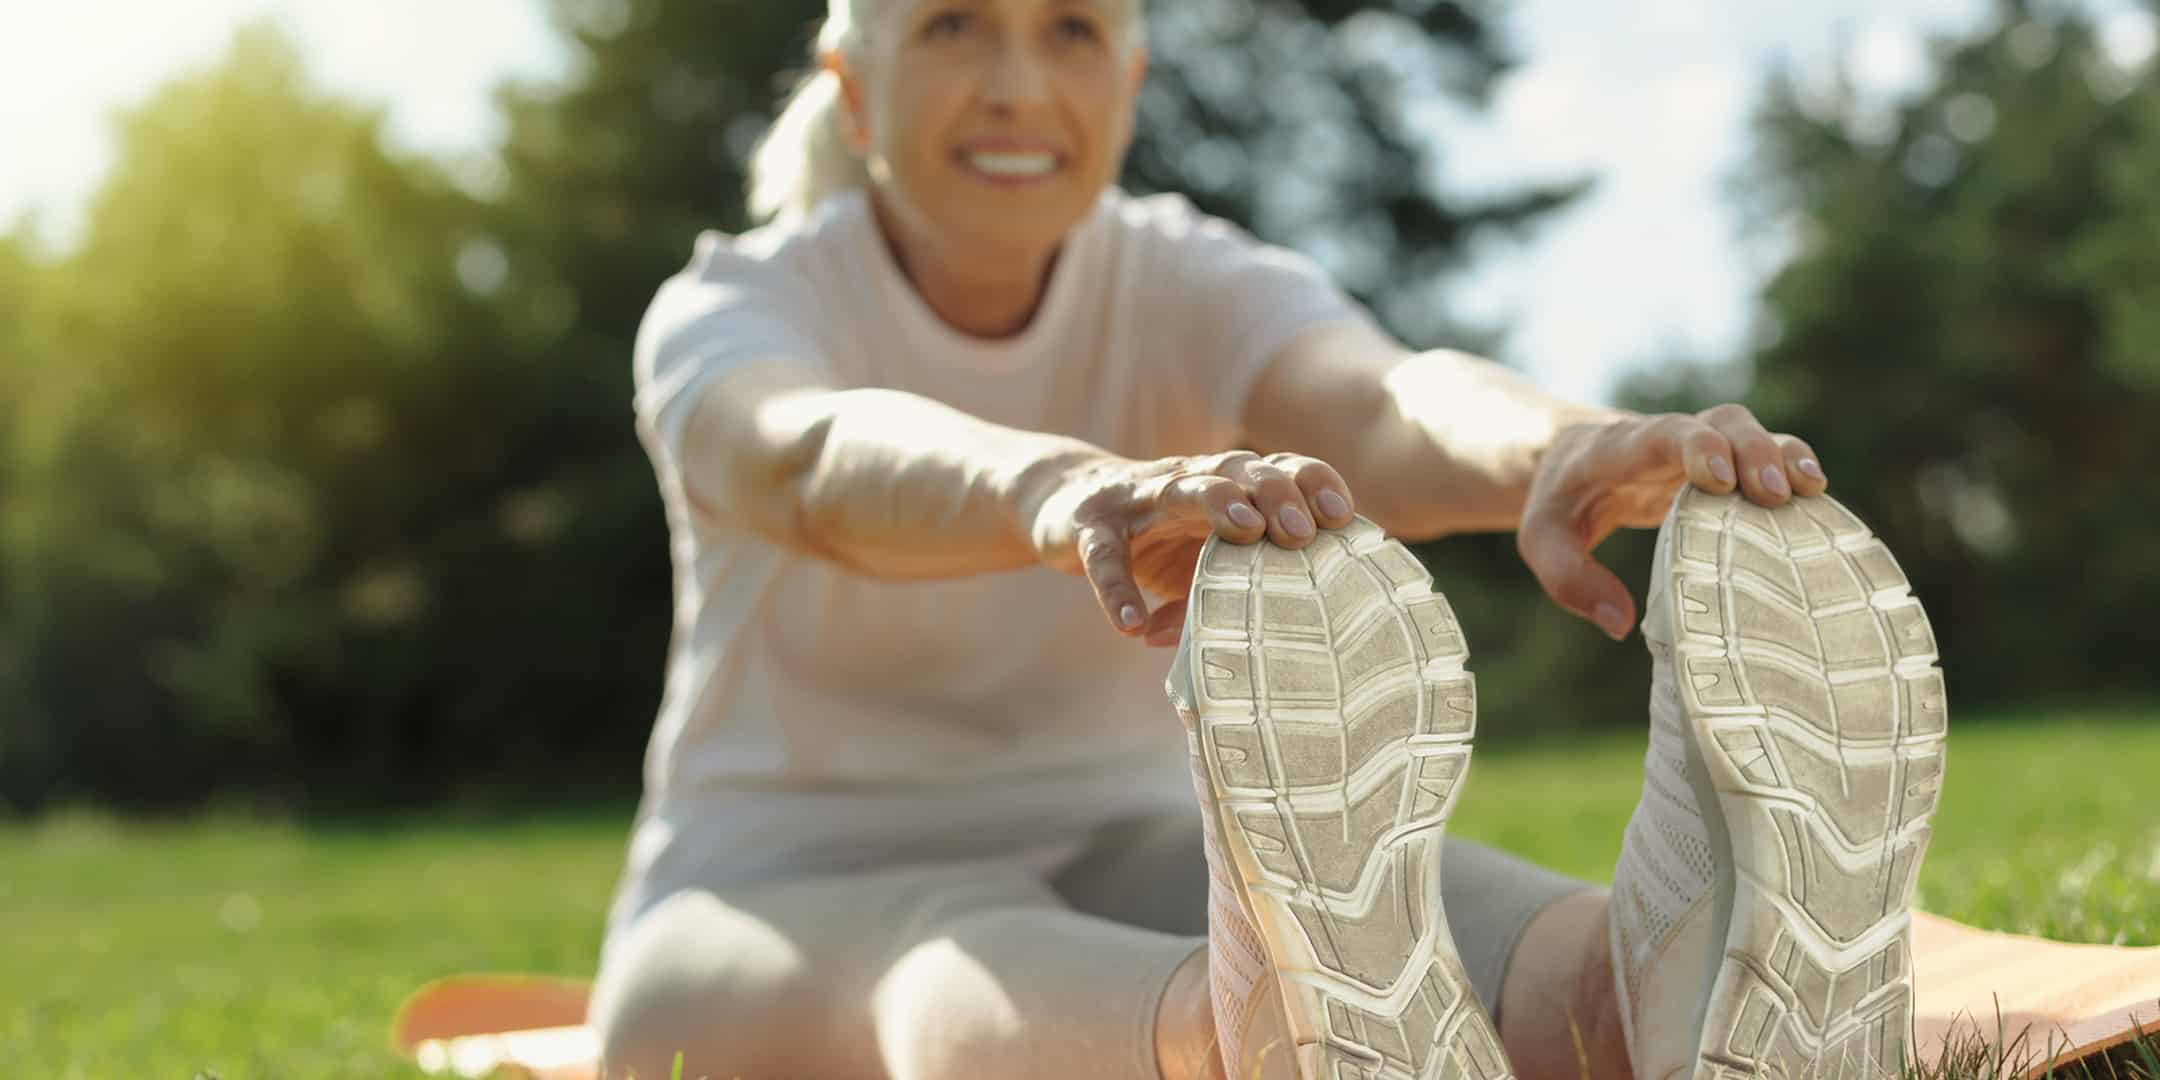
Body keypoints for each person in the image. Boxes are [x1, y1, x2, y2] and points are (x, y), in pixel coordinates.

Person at [588, 1, 1943, 1078]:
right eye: (951, 23)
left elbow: (1374, 395)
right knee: (942, 954)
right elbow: (814, 459)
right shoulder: (734, 307)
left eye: (1070, 28)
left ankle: (1645, 980)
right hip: (771, 892)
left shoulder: (1179, 273)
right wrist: (1066, 492)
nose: (1013, 83)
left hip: (1137, 840)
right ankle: (1257, 1038)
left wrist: (1557, 448)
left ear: (1129, 80)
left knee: (1392, 904)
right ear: (852, 81)